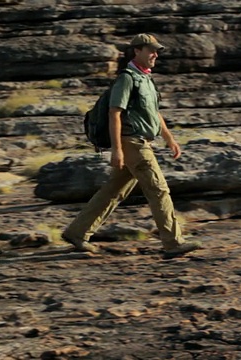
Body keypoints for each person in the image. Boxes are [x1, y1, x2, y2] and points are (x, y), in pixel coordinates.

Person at [62, 33, 201, 259]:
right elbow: (114, 113)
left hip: (140, 141)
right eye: (151, 50)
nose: (155, 54)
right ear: (137, 51)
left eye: (156, 51)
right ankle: (173, 243)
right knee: (158, 189)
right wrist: (117, 149)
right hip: (133, 143)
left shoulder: (146, 79)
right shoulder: (127, 78)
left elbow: (154, 113)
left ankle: (77, 233)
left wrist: (170, 139)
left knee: (113, 191)